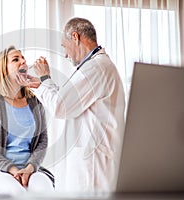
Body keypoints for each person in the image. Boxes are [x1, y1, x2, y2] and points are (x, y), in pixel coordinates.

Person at [27, 17, 125, 192]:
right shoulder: (96, 67)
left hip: (94, 167)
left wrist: (45, 78)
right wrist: (41, 85)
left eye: (64, 46)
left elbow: (61, 107)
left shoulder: (95, 68)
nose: (65, 54)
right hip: (95, 162)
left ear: (75, 37)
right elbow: (72, 100)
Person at [0, 46, 54, 195]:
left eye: (23, 59)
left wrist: (29, 168)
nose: (23, 61)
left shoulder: (36, 103)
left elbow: (42, 142)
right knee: (16, 193)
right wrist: (13, 169)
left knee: (44, 190)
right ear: (4, 70)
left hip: (30, 168)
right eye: (16, 59)